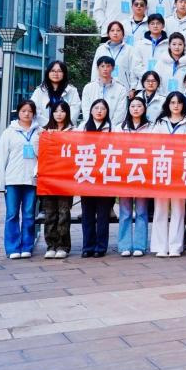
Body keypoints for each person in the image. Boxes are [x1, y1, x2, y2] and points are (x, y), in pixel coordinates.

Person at [0, 100, 41, 259]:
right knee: (12, 214)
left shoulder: (39, 132)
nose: (27, 114)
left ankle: (27, 246)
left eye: (30, 111)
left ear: (34, 113)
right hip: (12, 180)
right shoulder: (9, 132)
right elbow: (1, 158)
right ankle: (13, 247)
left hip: (32, 180)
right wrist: (0, 183)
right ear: (18, 113)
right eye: (23, 111)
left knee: (28, 215)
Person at [151, 92, 186, 257]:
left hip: (180, 169)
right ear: (168, 105)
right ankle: (160, 246)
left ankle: (176, 246)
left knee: (178, 209)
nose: (176, 106)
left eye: (179, 102)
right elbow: (152, 144)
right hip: (162, 169)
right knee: (160, 209)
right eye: (172, 102)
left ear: (184, 105)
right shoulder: (160, 123)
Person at [115, 97, 151, 257]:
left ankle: (140, 246)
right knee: (125, 211)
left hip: (142, 173)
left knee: (142, 211)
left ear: (144, 108)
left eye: (139, 106)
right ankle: (124, 246)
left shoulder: (151, 127)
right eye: (133, 106)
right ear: (128, 109)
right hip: (125, 174)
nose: (136, 109)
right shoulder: (120, 128)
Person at [40, 101, 75, 258]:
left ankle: (63, 246)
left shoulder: (74, 131)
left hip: (66, 179)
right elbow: (37, 152)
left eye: (62, 111)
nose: (59, 114)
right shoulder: (44, 131)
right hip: (48, 178)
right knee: (50, 213)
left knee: (64, 212)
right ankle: (51, 245)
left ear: (67, 113)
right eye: (56, 111)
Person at [80, 99, 113, 257]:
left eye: (103, 108)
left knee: (103, 215)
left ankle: (100, 247)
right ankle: (87, 247)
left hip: (105, 177)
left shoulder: (112, 129)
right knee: (87, 214)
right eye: (96, 108)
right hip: (86, 175)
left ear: (107, 112)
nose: (99, 111)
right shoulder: (83, 127)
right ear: (91, 110)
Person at [31, 60, 81, 127]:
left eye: (59, 71)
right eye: (52, 71)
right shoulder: (39, 91)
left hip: (66, 129)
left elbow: (75, 111)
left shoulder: (72, 91)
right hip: (44, 129)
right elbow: (35, 110)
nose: (56, 73)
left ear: (64, 73)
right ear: (48, 73)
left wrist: (62, 126)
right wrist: (49, 125)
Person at [81, 56, 128, 126]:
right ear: (97, 68)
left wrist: (109, 126)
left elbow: (121, 111)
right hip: (91, 126)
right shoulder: (88, 87)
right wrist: (93, 124)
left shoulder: (121, 89)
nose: (105, 69)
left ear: (113, 68)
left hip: (112, 127)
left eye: (108, 66)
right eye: (102, 66)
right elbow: (85, 108)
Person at [91, 22, 136, 93]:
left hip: (123, 87)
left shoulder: (129, 50)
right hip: (103, 86)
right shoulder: (101, 49)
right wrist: (93, 84)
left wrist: (133, 88)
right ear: (108, 33)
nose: (115, 33)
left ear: (123, 33)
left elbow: (133, 69)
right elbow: (95, 69)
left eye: (118, 30)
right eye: (112, 30)